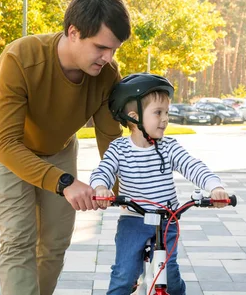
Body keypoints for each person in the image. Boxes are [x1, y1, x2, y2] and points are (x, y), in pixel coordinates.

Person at [0, 0, 131, 295]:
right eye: (100, 47)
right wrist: (65, 183)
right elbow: (6, 144)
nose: (108, 58)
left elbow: (110, 138)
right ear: (73, 32)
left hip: (57, 147)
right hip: (4, 146)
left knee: (55, 241)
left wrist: (118, 188)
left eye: (114, 49)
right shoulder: (20, 58)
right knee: (19, 236)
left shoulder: (107, 74)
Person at [90, 73, 230, 295]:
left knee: (170, 275)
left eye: (167, 112)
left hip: (167, 221)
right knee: (123, 276)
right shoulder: (119, 149)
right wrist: (100, 187)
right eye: (158, 113)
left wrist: (215, 187)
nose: (165, 118)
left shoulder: (169, 147)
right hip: (133, 220)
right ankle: (132, 279)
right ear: (134, 117)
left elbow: (192, 165)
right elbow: (104, 170)